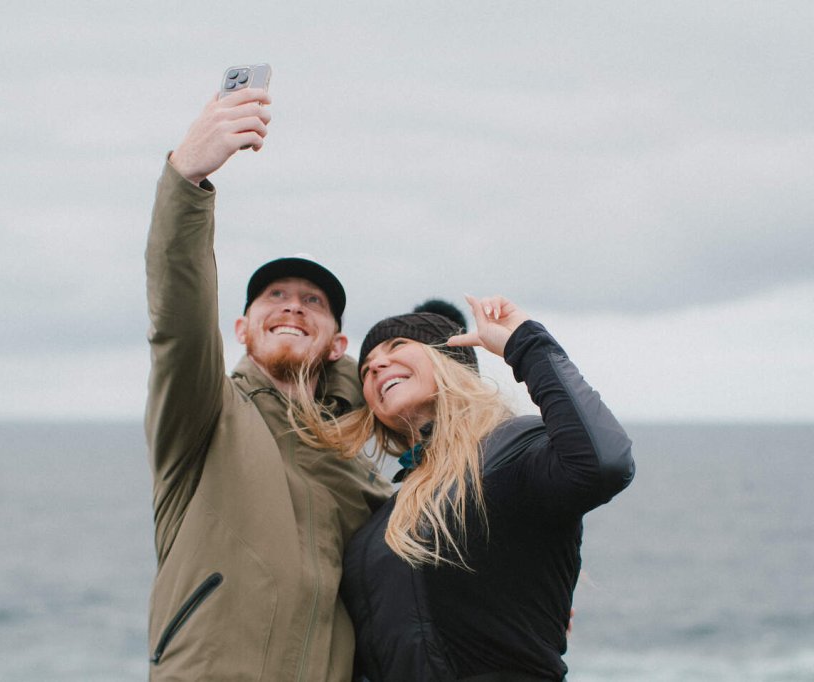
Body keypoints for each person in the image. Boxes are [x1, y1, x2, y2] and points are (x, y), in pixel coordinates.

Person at [144, 86, 390, 679]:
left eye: (313, 302)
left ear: (337, 343)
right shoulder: (205, 414)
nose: (292, 307)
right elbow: (178, 323)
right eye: (273, 297)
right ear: (242, 328)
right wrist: (187, 180)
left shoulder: (359, 462)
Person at [300, 296, 635, 681]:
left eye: (397, 347)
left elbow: (602, 463)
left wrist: (526, 344)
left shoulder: (511, 449)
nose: (375, 364)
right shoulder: (377, 527)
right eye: (365, 370)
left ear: (450, 361)